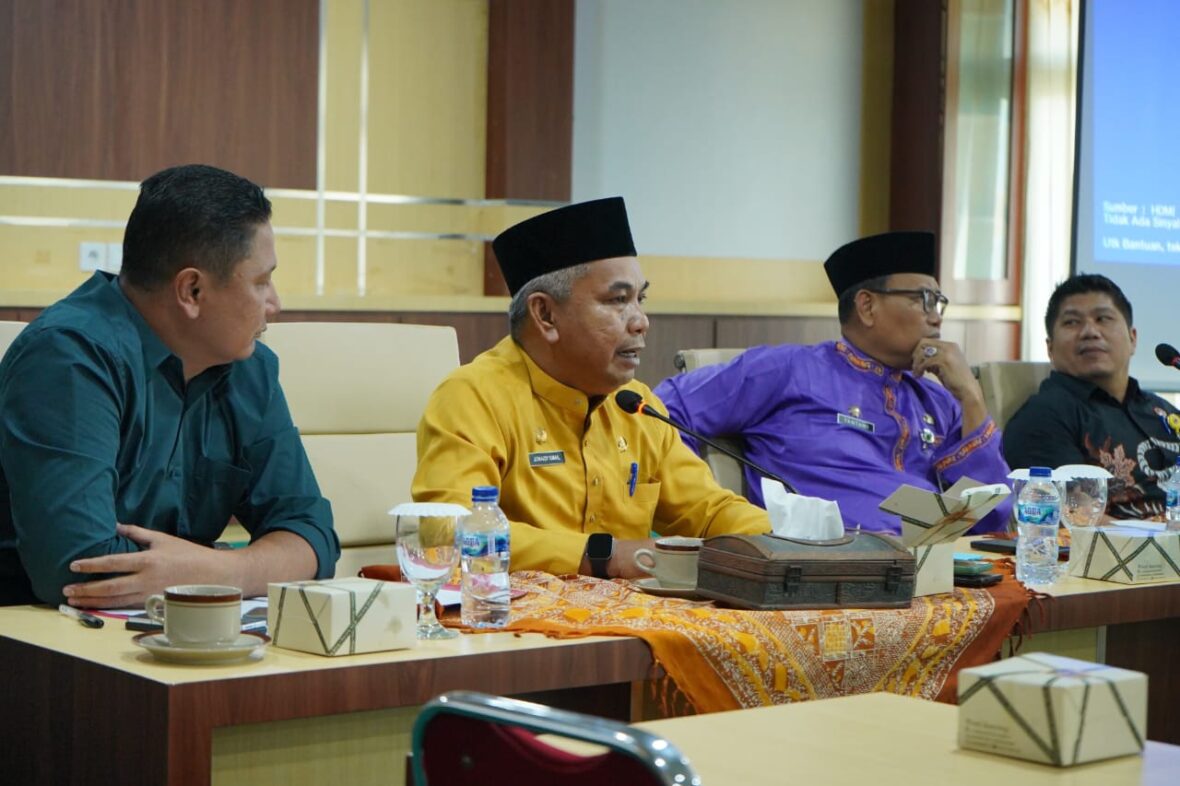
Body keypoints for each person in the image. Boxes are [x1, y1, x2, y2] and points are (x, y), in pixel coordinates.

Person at [0, 164, 339, 607]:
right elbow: (76, 568)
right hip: (40, 634)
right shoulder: (69, 357)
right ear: (191, 291)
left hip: (172, 629)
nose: (275, 303)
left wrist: (220, 570)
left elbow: (312, 534)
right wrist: (238, 567)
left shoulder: (248, 367)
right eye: (261, 281)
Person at [411, 197, 769, 579]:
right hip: (514, 611)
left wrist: (782, 543)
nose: (641, 322)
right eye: (618, 300)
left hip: (632, 612)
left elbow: (710, 511)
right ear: (546, 315)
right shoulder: (473, 396)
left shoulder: (637, 405)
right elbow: (449, 531)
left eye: (640, 299)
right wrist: (604, 556)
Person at [654, 231, 1011, 535]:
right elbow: (663, 410)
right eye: (924, 300)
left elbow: (993, 515)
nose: (936, 318)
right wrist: (713, 509)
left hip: (941, 568)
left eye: (939, 303)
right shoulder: (788, 370)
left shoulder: (937, 399)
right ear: (867, 307)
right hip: (825, 567)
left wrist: (971, 396)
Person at [1003, 274, 1179, 519]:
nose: (1090, 331)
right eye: (1072, 322)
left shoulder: (1162, 411)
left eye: (1103, 318)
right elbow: (1077, 520)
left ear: (1132, 338)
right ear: (1050, 348)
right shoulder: (1041, 418)